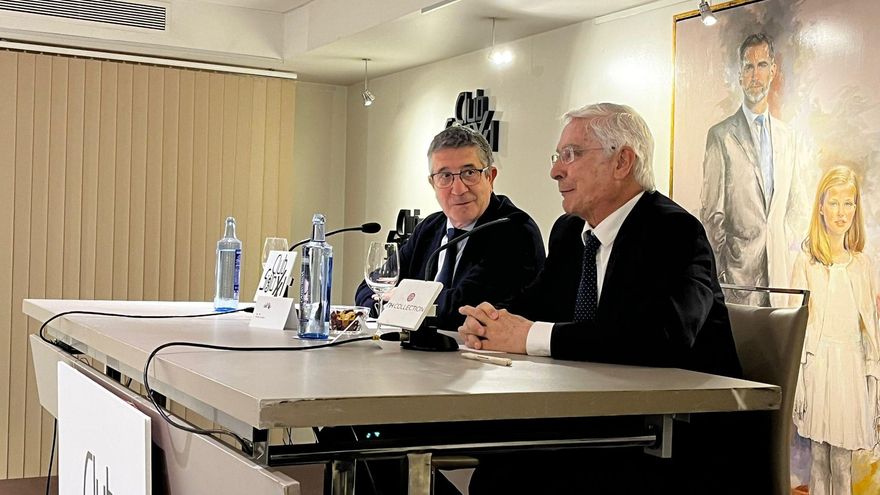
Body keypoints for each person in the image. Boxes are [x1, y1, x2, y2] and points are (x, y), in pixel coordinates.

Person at [458, 102, 744, 494]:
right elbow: (533, 304)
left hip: (671, 440)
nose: (556, 170)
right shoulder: (570, 232)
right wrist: (489, 322)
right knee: (492, 461)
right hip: (596, 421)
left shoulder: (673, 231)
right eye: (557, 157)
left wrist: (528, 337)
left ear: (622, 162)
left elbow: (663, 336)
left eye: (571, 155)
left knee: (508, 473)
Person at [355, 124, 545, 329]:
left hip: (487, 358)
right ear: (432, 183)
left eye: (469, 172)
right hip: (419, 356)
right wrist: (388, 304)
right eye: (445, 176)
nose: (458, 189)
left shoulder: (514, 228)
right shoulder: (429, 228)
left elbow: (463, 308)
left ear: (490, 177)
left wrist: (399, 300)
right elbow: (369, 288)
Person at [790, 166, 880, 495]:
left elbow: (871, 332)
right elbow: (797, 329)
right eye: (835, 203)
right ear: (821, 207)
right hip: (818, 367)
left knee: (842, 463)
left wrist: (874, 387)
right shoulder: (807, 263)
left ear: (856, 209)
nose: (842, 212)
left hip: (850, 369)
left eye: (849, 203)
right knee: (818, 459)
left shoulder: (863, 265)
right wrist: (798, 382)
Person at [700, 33, 808, 306]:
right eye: (749, 67)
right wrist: (721, 273)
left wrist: (790, 252)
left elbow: (796, 204)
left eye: (762, 65)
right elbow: (712, 215)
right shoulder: (720, 135)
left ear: (773, 70)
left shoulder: (788, 137)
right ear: (740, 75)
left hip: (780, 280)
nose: (755, 75)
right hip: (736, 280)